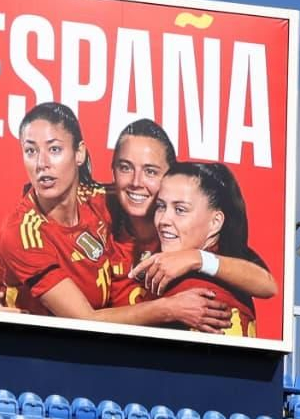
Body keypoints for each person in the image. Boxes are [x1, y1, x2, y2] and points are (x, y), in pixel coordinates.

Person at [0, 103, 230, 331]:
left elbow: (260, 278)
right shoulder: (21, 233)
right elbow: (84, 320)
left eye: (54, 149)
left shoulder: (100, 200)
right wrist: (169, 308)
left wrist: (197, 257)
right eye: (30, 151)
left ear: (79, 153)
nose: (41, 164)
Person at [105, 118, 277, 302]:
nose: (136, 182)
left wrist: (197, 258)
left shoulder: (191, 237)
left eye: (151, 171)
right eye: (125, 168)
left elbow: (267, 284)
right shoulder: (98, 211)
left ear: (169, 175)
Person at [146, 162, 262, 336]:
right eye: (161, 206)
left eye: (180, 209)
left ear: (215, 222)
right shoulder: (232, 276)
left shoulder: (196, 291)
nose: (164, 220)